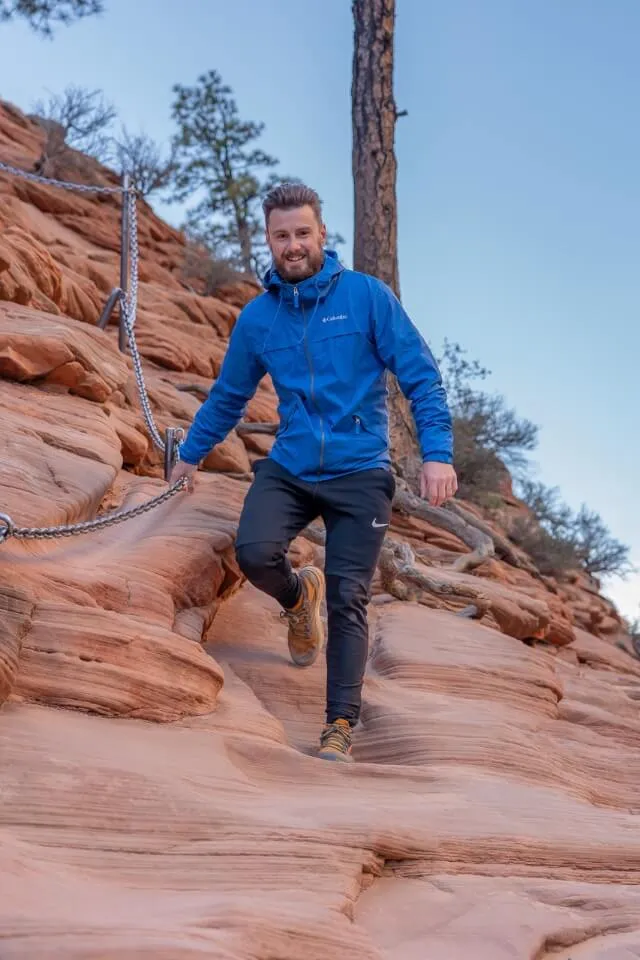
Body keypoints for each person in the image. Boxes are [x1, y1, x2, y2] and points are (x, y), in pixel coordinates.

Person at [170, 181, 457, 763]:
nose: (293, 245)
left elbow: (421, 376)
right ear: (270, 242)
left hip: (359, 472)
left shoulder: (366, 298)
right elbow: (229, 396)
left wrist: (438, 453)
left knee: (350, 597)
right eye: (282, 236)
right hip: (293, 466)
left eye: (303, 233)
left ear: (322, 234)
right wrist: (190, 455)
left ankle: (338, 728)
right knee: (252, 552)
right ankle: (299, 599)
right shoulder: (258, 319)